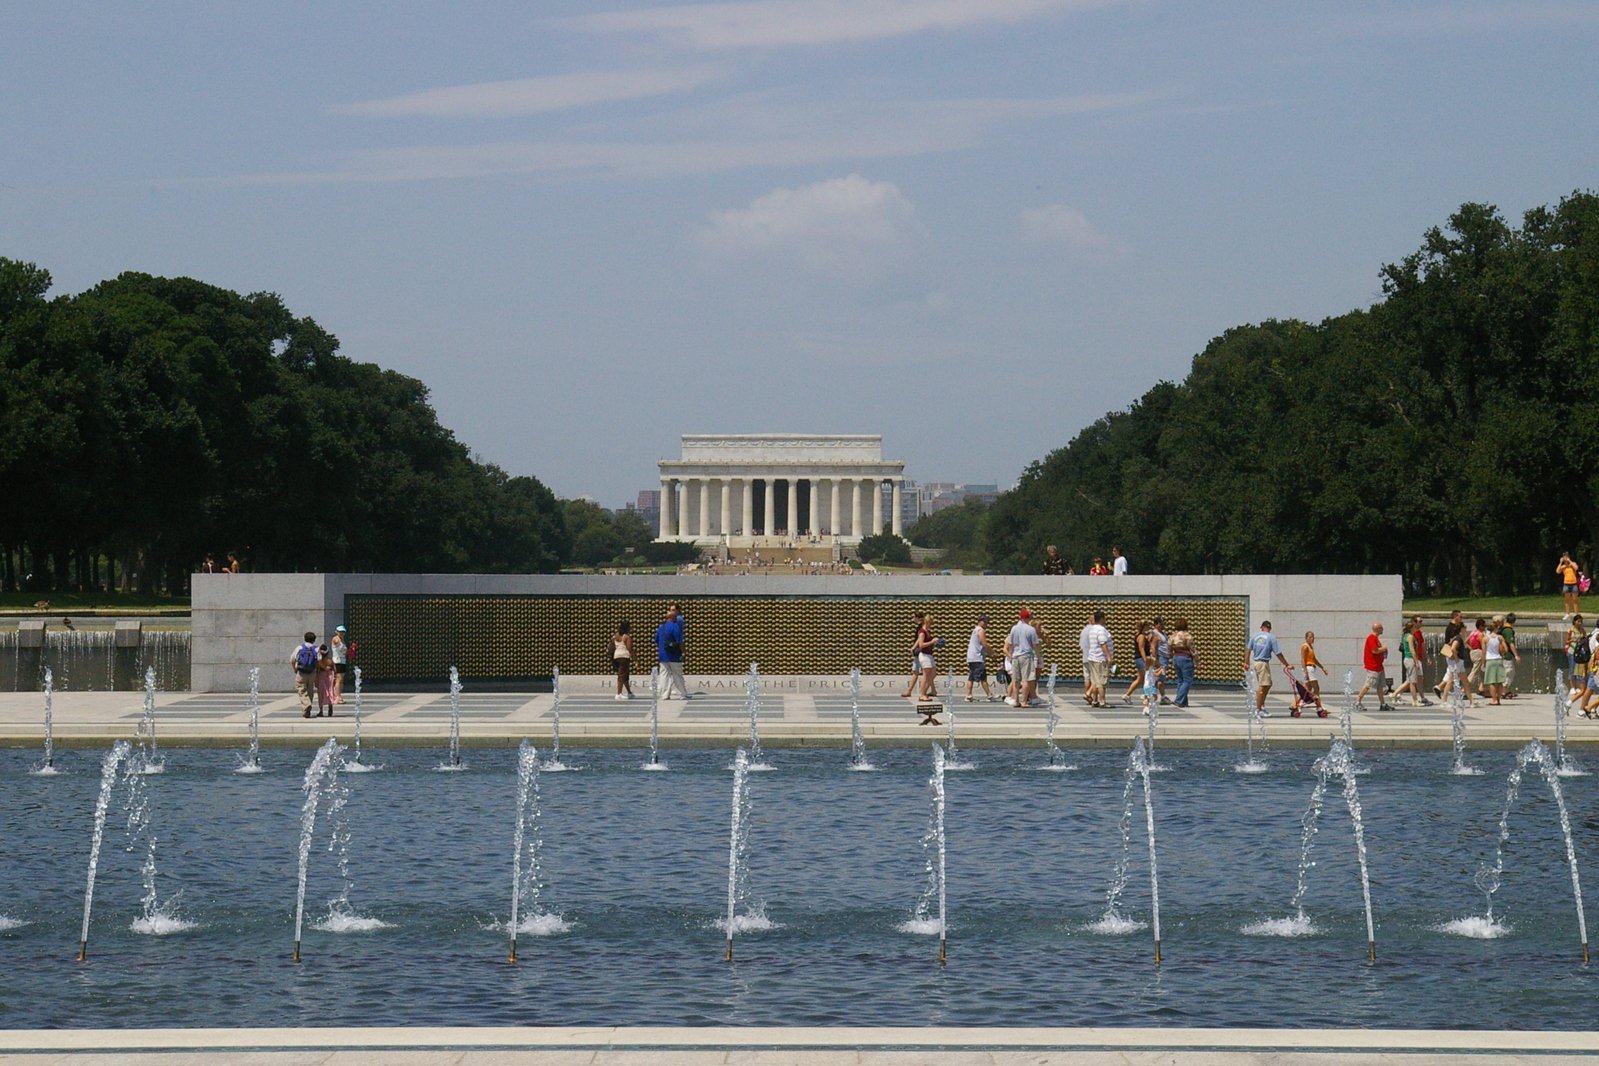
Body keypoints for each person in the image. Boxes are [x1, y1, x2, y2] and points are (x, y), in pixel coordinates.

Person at [1244, 620, 1292, 718]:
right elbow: (1278, 653)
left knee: (1267, 685)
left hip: (1256, 663)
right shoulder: (1271, 637)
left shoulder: (1254, 636)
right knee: (1263, 686)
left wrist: (1246, 663)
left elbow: (1248, 650)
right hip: (1263, 663)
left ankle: (1261, 706)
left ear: (1261, 627)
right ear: (1269, 628)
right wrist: (1286, 664)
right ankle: (1258, 709)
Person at [1391, 616, 1430, 707]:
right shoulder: (1410, 637)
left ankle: (1394, 694)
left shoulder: (1407, 635)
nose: (1421, 623)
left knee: (1411, 680)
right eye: (1419, 621)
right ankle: (1415, 701)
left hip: (1411, 659)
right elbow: (1412, 650)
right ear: (1412, 627)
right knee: (1413, 682)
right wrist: (1416, 661)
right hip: (1411, 660)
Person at [1005, 609, 1041, 707]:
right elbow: (1035, 645)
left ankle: (1016, 700)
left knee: (1016, 679)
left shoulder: (1014, 628)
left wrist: (1010, 656)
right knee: (1026, 679)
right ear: (1028, 617)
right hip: (1027, 656)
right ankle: (1024, 701)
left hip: (1015, 656)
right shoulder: (1031, 629)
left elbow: (1011, 644)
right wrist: (1038, 657)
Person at [1079, 609, 1114, 708]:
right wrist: (1108, 657)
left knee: (1094, 680)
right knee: (1102, 681)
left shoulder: (1092, 629)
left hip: (1092, 658)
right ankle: (1102, 701)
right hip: (1100, 658)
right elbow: (1103, 643)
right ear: (1102, 619)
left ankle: (1094, 700)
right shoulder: (1101, 630)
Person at [1353, 621, 1391, 711]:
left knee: (1380, 686)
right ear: (1377, 629)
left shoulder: (1376, 639)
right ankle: (1357, 702)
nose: (1383, 629)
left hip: (1379, 666)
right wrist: (1384, 648)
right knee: (1368, 685)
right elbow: (1375, 651)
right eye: (1381, 628)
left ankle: (1383, 704)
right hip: (1373, 667)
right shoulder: (1371, 638)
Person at [656, 606, 689, 700]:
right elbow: (680, 641)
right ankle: (683, 693)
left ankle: (665, 695)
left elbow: (656, 640)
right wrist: (683, 653)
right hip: (674, 655)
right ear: (673, 618)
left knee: (664, 675)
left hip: (663, 655)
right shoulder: (675, 627)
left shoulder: (661, 627)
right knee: (677, 674)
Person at [1481, 618, 1516, 705]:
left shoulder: (1485, 639)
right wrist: (1502, 653)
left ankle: (1494, 699)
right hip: (1499, 660)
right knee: (1500, 681)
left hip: (1490, 660)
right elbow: (1506, 648)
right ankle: (1499, 699)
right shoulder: (1500, 637)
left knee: (1491, 681)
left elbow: (1484, 651)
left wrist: (1483, 662)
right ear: (1496, 628)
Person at [966, 615, 1000, 702]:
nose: (986, 624)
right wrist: (992, 653)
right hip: (977, 657)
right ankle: (989, 695)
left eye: (987, 622)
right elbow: (984, 643)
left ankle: (969, 695)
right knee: (983, 677)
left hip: (972, 657)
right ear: (979, 621)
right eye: (984, 622)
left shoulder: (975, 630)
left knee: (971, 677)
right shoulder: (980, 630)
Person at [1434, 610, 1466, 700]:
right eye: (1460, 616)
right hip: (1452, 654)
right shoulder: (1451, 627)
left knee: (1451, 673)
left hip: (1454, 654)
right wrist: (1454, 656)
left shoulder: (1455, 626)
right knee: (1452, 676)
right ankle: (1446, 696)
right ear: (1455, 616)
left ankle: (1439, 687)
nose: (1461, 618)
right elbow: (1452, 642)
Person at [1169, 618, 1196, 708]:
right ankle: (1179, 700)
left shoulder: (1172, 635)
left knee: (1180, 680)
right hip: (1185, 657)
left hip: (1176, 657)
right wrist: (1197, 661)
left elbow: (1168, 648)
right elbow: (1193, 650)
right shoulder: (1187, 636)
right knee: (1187, 680)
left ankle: (1184, 701)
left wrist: (1170, 656)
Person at [291, 631, 319, 719]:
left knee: (301, 689)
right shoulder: (317, 649)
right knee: (310, 690)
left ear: (305, 638)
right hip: (312, 672)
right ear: (314, 640)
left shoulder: (299, 647)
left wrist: (294, 669)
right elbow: (319, 661)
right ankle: (307, 711)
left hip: (301, 672)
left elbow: (292, 659)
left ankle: (306, 705)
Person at [1122, 621, 1151, 705]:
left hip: (1138, 659)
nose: (1149, 627)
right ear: (1144, 626)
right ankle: (1146, 696)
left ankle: (1127, 695)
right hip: (1141, 659)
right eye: (1147, 625)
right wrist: (1145, 660)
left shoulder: (1139, 635)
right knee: (1147, 678)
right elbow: (1141, 649)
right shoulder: (1141, 636)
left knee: (1140, 679)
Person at [899, 612, 927, 698]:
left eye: (914, 617)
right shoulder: (924, 626)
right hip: (924, 651)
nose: (912, 619)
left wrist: (913, 648)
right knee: (926, 672)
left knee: (915, 671)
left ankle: (909, 691)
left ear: (918, 618)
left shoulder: (921, 628)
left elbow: (919, 639)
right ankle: (933, 690)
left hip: (919, 651)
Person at [912, 614, 940, 702]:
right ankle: (922, 694)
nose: (931, 625)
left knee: (932, 673)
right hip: (924, 655)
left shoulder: (927, 631)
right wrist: (932, 641)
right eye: (930, 623)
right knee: (926, 675)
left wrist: (935, 643)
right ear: (926, 622)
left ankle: (925, 692)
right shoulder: (922, 632)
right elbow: (921, 645)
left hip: (929, 654)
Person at [1300, 631, 1327, 707]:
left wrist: (1322, 668)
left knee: (1308, 688)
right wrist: (1305, 671)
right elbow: (1302, 659)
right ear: (1306, 638)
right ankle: (1319, 705)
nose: (1312, 638)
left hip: (1311, 667)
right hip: (1308, 668)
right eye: (1310, 637)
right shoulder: (1305, 646)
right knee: (1316, 687)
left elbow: (1314, 659)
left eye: (1313, 637)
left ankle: (1302, 702)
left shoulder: (1310, 647)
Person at [611, 621, 634, 700]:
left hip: (616, 656)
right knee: (621, 675)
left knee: (624, 675)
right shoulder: (626, 637)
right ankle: (618, 694)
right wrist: (636, 659)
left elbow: (611, 645)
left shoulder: (616, 635)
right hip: (624, 657)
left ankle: (629, 692)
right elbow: (629, 649)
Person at [315, 643, 336, 717]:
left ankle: (321, 711)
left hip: (321, 677)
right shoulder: (330, 661)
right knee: (330, 692)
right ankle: (330, 708)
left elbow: (317, 671)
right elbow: (334, 669)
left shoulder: (319, 662)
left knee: (321, 694)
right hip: (330, 677)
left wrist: (316, 680)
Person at [1558, 552, 1582, 617]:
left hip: (1574, 584)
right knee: (1567, 600)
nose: (1566, 558)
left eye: (1567, 557)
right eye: (1564, 557)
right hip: (1566, 584)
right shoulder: (1563, 566)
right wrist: (1560, 562)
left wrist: (1570, 561)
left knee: (1575, 600)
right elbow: (1557, 571)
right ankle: (1567, 613)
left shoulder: (1573, 564)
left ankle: (1576, 614)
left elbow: (1576, 568)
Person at [330, 625, 349, 704]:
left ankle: (339, 695)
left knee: (341, 680)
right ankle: (337, 697)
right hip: (337, 661)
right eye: (340, 631)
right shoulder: (336, 638)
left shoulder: (343, 640)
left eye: (343, 632)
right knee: (338, 679)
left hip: (343, 661)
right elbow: (335, 642)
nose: (342, 633)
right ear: (336, 632)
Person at [1566, 614, 1587, 681]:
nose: (1580, 623)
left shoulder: (1582, 630)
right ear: (1574, 621)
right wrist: (1573, 640)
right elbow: (1566, 641)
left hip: (1580, 653)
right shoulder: (1571, 630)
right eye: (1578, 621)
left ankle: (1578, 686)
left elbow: (1585, 639)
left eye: (1581, 621)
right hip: (1572, 652)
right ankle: (1572, 687)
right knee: (1572, 669)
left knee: (1579, 671)